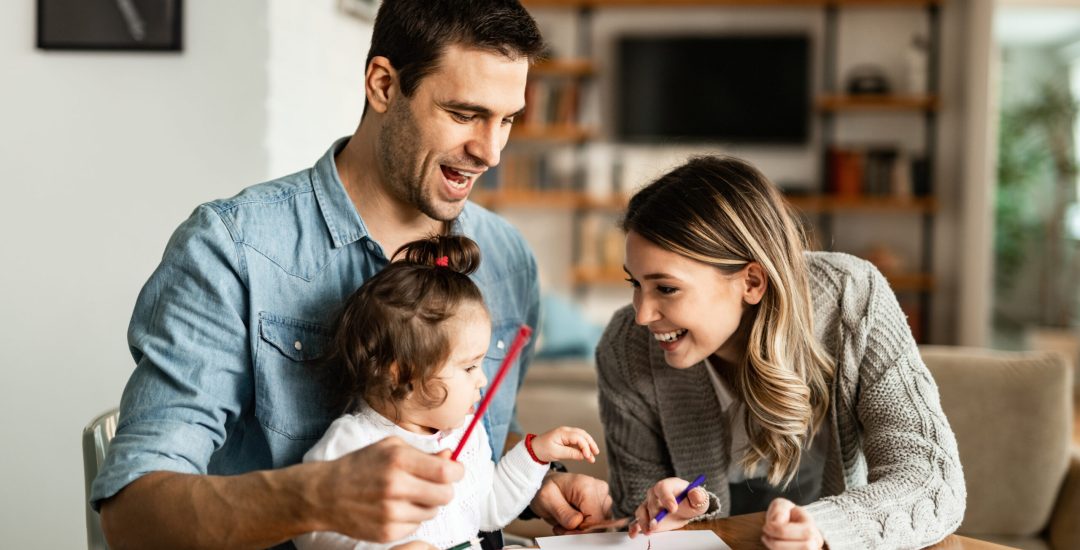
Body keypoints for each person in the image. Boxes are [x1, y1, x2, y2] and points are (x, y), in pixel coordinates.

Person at [91, 1, 610, 548]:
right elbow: (131, 516)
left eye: (507, 119)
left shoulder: (506, 258)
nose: (490, 151)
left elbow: (463, 418)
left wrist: (534, 484)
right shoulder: (231, 249)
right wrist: (315, 497)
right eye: (463, 114)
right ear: (383, 84)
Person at [596, 156, 966, 550]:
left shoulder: (852, 300)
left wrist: (824, 528)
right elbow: (636, 511)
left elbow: (931, 480)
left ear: (752, 281)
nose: (642, 315)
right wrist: (667, 510)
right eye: (634, 283)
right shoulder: (626, 347)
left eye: (665, 288)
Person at [294, 235, 600, 550]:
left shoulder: (466, 435)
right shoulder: (351, 443)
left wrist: (535, 454)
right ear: (404, 372)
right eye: (469, 368)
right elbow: (311, 529)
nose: (482, 380)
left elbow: (489, 511)